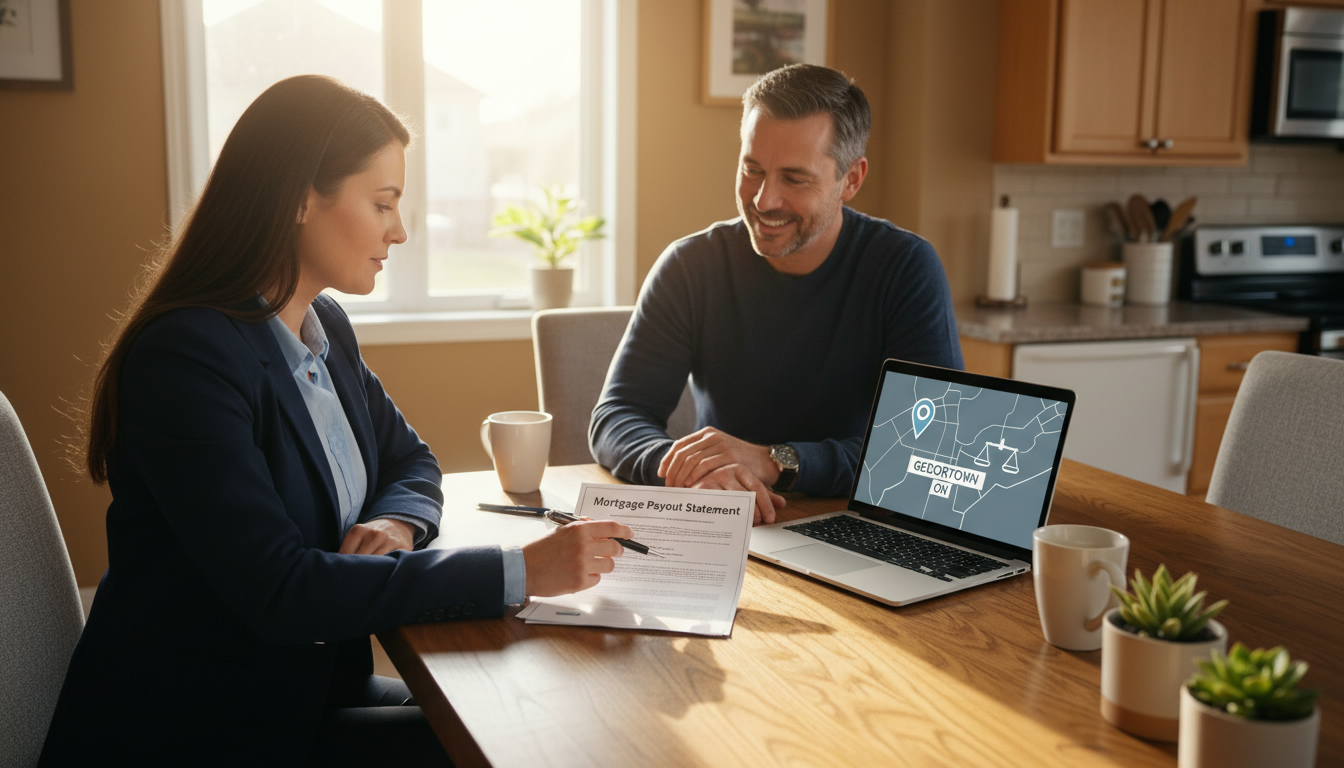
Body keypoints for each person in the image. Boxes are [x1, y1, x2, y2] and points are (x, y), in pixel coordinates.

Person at [39, 75, 632, 766]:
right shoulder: (186, 360)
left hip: (308, 691)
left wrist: (397, 523)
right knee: (544, 743)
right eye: (382, 202)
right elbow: (282, 591)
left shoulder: (323, 327)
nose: (400, 230)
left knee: (538, 709)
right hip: (210, 729)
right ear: (299, 197)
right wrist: (520, 571)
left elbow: (411, 461)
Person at [590, 64, 962, 526]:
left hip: (860, 525)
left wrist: (777, 461)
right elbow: (618, 417)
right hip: (728, 522)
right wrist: (689, 471)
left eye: (794, 178)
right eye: (752, 169)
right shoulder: (691, 266)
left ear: (851, 180)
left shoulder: (905, 268)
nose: (764, 200)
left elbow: (932, 447)